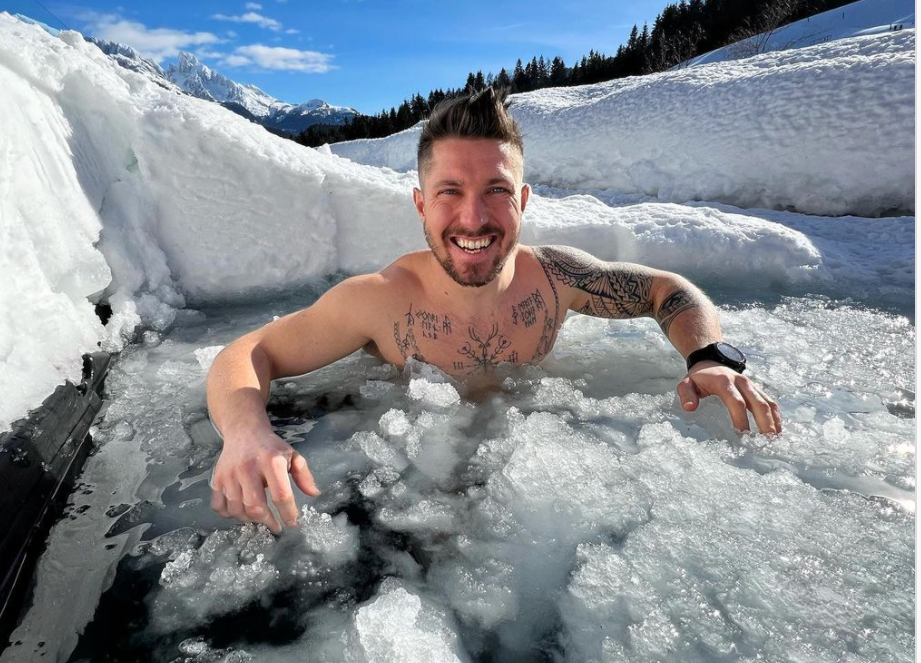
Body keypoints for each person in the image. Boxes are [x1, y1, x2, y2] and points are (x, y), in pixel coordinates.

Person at [207, 87, 781, 534]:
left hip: (532, 485)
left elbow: (666, 290)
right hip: (408, 484)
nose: (474, 218)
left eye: (497, 192)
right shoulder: (380, 300)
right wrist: (246, 433)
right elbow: (251, 351)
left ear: (523, 200)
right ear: (420, 205)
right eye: (450, 191)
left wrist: (708, 357)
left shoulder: (556, 279)